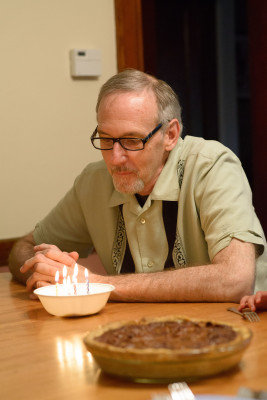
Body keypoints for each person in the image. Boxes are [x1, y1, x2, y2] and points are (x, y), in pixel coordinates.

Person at [8, 69, 267, 303]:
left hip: (238, 330)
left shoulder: (212, 166)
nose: (115, 158)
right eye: (106, 139)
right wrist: (46, 270)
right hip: (136, 335)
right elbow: (24, 248)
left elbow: (235, 280)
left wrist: (97, 284)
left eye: (131, 140)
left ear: (170, 135)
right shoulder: (93, 181)